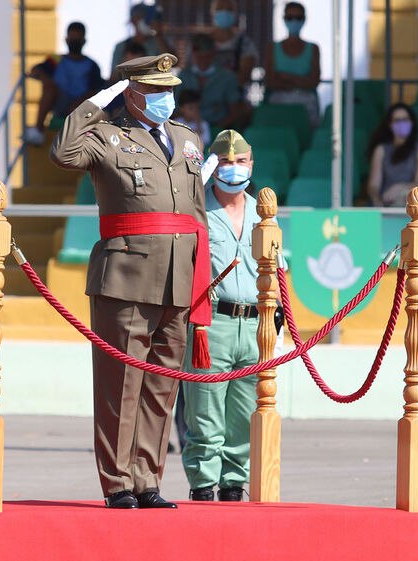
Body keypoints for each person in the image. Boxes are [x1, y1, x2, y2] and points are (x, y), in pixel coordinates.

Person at [50, 54, 216, 510]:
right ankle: (118, 482)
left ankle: (148, 480)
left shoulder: (186, 139)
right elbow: (63, 152)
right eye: (156, 91)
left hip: (178, 279)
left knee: (161, 387)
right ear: (132, 93)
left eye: (170, 90)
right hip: (125, 278)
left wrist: (201, 278)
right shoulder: (106, 137)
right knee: (121, 385)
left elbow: (196, 214)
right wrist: (97, 102)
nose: (166, 98)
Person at [181, 129, 265, 503]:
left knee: (244, 418)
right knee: (205, 416)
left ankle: (234, 484)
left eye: (241, 161)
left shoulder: (264, 213)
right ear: (213, 167)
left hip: (255, 324)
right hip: (211, 322)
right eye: (226, 162)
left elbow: (276, 268)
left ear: (252, 164)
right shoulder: (196, 209)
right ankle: (202, 486)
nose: (234, 168)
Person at [24, 22, 105, 146]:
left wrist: (78, 104)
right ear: (66, 39)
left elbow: (95, 89)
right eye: (72, 38)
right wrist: (46, 79)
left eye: (77, 39)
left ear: (83, 41)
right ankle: (38, 130)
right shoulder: (56, 59)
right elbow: (36, 70)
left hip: (80, 106)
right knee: (49, 88)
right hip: (59, 102)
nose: (74, 42)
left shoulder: (92, 65)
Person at [264, 1, 322, 126]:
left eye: (298, 17)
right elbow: (270, 81)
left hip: (307, 105)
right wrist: (301, 81)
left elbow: (314, 81)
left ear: (304, 19)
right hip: (278, 104)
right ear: (284, 19)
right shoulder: (272, 48)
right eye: (290, 17)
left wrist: (285, 77)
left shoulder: (313, 48)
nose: (294, 21)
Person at [178, 34, 248, 131]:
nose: (203, 60)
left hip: (218, 129)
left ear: (214, 54)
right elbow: (175, 108)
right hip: (187, 129)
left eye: (207, 56)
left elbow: (235, 111)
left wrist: (215, 130)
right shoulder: (184, 76)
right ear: (193, 54)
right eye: (199, 56)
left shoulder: (227, 77)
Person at [366, 103, 418, 207]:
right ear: (390, 124)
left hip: (410, 204)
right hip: (383, 202)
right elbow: (374, 185)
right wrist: (376, 200)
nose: (401, 123)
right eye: (397, 120)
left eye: (405, 119)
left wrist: (399, 188)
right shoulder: (381, 150)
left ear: (412, 122)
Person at [110, 4, 175, 71]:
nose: (150, 23)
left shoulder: (159, 42)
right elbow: (113, 76)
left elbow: (173, 64)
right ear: (133, 21)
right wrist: (126, 64)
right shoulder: (121, 47)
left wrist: (159, 35)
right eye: (144, 18)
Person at [210, 0, 260, 88]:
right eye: (220, 9)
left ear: (235, 14)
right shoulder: (202, 41)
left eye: (229, 9)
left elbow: (243, 77)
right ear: (212, 12)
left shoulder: (245, 43)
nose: (224, 12)